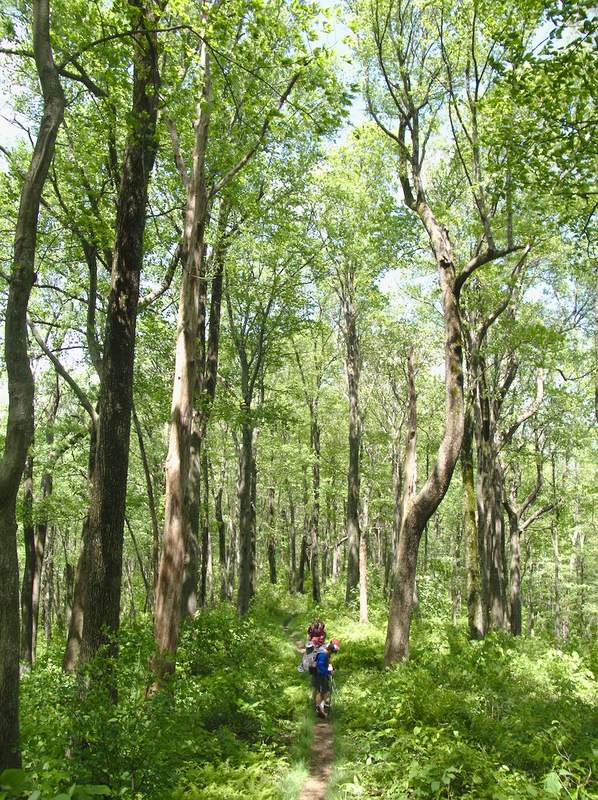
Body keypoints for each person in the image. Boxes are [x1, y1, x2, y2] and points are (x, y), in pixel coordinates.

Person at [313, 639, 340, 718]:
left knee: (326, 692)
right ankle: (319, 708)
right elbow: (320, 666)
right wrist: (329, 672)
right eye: (332, 652)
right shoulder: (323, 654)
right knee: (321, 691)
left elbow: (326, 662)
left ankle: (322, 707)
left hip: (322, 675)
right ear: (330, 650)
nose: (332, 654)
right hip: (320, 675)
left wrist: (331, 668)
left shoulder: (324, 652)